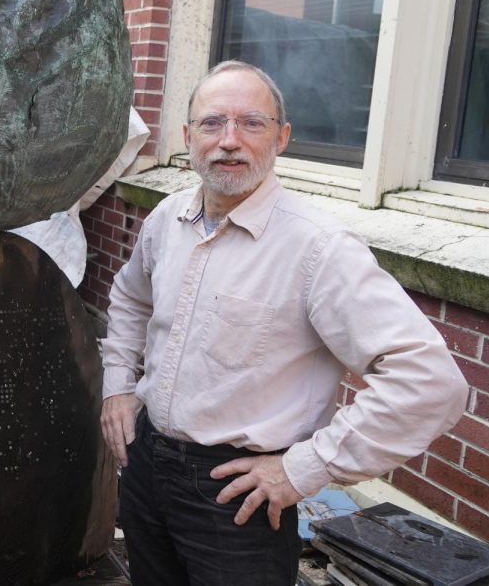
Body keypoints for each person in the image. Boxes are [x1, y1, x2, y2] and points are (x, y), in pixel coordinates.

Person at [99, 60, 468, 586]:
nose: (229, 140)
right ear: (187, 137)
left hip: (237, 493)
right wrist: (118, 386)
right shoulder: (167, 219)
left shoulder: (318, 248)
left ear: (282, 138)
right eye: (212, 123)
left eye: (252, 123)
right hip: (145, 464)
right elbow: (130, 300)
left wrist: (303, 469)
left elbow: (429, 382)